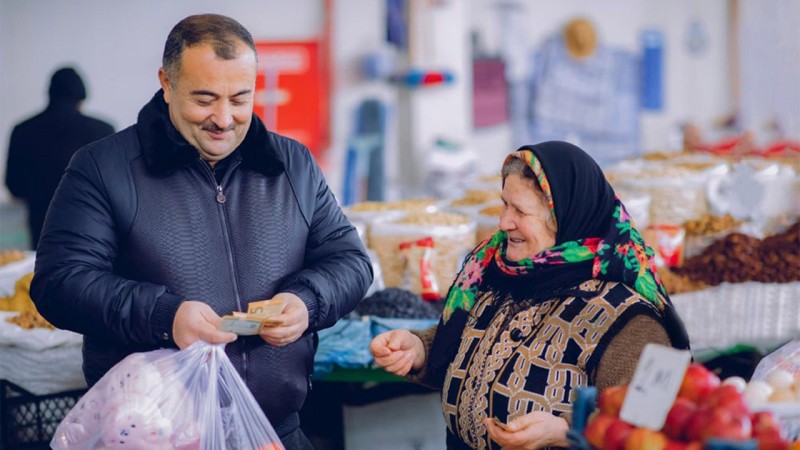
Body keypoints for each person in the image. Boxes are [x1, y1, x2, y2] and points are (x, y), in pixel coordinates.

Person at [30, 14, 373, 449]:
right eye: (205, 99)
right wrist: (165, 317)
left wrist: (307, 302)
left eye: (240, 99)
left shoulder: (292, 165)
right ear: (167, 83)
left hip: (276, 433)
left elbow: (351, 261)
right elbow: (59, 283)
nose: (224, 118)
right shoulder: (103, 168)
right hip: (157, 438)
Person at [370, 141, 690, 450]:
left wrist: (567, 431)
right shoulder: (499, 272)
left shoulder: (626, 319)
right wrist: (419, 349)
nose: (504, 222)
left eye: (520, 211)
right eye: (504, 204)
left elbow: (652, 419)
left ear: (565, 218)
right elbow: (466, 344)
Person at [5, 66, 114, 249]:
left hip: (41, 228)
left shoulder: (22, 130)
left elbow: (14, 186)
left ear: (50, 94)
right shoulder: (103, 131)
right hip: (91, 229)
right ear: (81, 98)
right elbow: (113, 186)